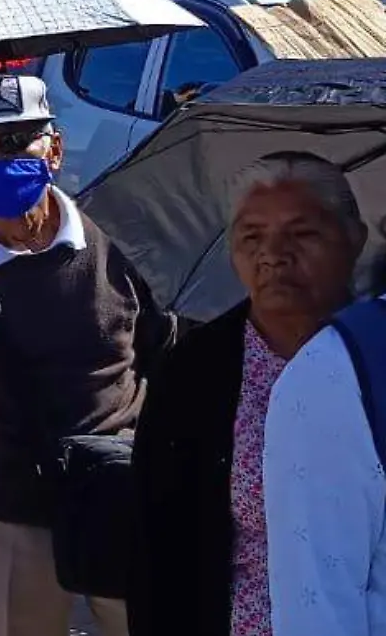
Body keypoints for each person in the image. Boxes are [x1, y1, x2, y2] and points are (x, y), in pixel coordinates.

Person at [0, 75, 169, 636]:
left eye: (16, 140)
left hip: (119, 496)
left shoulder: (120, 239)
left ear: (56, 148)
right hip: (7, 510)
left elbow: (159, 349)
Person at [132, 154, 366, 636]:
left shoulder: (375, 353)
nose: (274, 254)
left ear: (355, 239)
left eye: (303, 234)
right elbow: (158, 542)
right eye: (252, 236)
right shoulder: (194, 370)